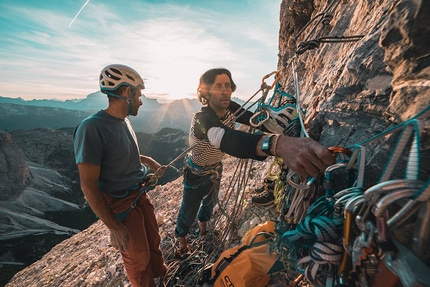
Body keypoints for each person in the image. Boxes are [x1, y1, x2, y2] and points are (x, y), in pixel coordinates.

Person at [174, 67, 336, 257]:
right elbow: (223, 138)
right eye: (218, 86)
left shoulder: (231, 108)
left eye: (227, 85)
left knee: (209, 203)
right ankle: (182, 245)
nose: (225, 90)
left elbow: (254, 120)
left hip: (214, 169)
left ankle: (203, 232)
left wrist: (283, 123)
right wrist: (276, 144)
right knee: (189, 209)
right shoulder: (202, 119)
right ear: (206, 92)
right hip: (195, 173)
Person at [73, 64, 167, 287]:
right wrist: (114, 226)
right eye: (139, 94)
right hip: (121, 203)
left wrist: (149, 162)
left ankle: (162, 279)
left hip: (138, 194)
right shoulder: (91, 128)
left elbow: (123, 153)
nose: (141, 101)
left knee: (154, 242)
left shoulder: (123, 121)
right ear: (127, 92)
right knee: (138, 259)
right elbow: (87, 184)